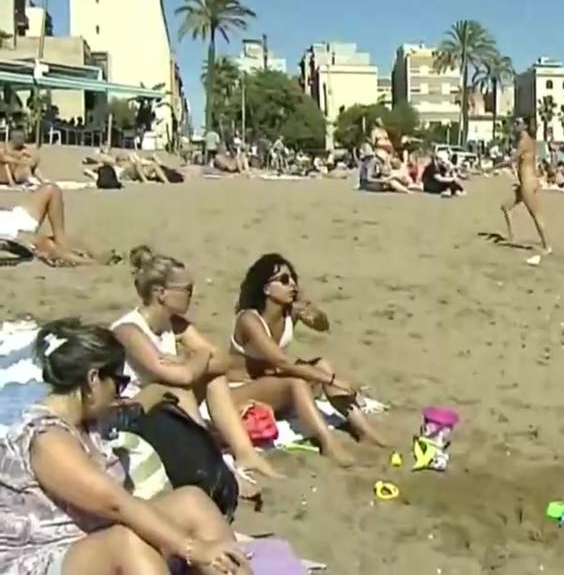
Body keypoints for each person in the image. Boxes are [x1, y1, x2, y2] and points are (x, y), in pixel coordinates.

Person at [0, 318, 250, 575]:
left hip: (93, 542)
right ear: (93, 379)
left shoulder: (86, 421)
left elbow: (141, 401)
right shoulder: (46, 439)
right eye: (118, 383)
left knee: (192, 502)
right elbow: (114, 504)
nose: (119, 394)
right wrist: (190, 547)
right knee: (128, 542)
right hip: (38, 558)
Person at [111, 246, 280, 479]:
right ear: (161, 292)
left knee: (213, 378)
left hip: (167, 405)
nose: (192, 295)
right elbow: (181, 377)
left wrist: (187, 359)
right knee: (179, 389)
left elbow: (223, 362)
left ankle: (245, 453)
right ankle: (210, 460)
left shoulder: (176, 324)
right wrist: (198, 356)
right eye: (187, 290)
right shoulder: (129, 331)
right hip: (134, 412)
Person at [228, 254, 387, 466]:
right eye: (284, 280)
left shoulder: (288, 314)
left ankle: (365, 432)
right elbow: (281, 362)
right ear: (266, 289)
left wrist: (309, 308)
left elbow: (323, 326)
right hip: (240, 392)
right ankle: (328, 443)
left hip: (271, 389)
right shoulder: (249, 320)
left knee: (321, 364)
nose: (292, 284)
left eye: (293, 278)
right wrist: (331, 380)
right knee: (298, 379)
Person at [0, 183, 108, 266]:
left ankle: (62, 242)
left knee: (51, 189)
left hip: (9, 217)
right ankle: (90, 263)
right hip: (8, 233)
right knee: (46, 245)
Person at [500, 119, 551, 264]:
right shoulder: (529, 141)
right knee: (506, 206)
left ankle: (547, 246)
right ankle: (512, 237)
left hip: (528, 183)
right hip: (527, 182)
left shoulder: (525, 142)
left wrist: (493, 166)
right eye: (514, 123)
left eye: (517, 123)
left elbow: (512, 160)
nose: (514, 125)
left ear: (525, 126)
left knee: (536, 215)